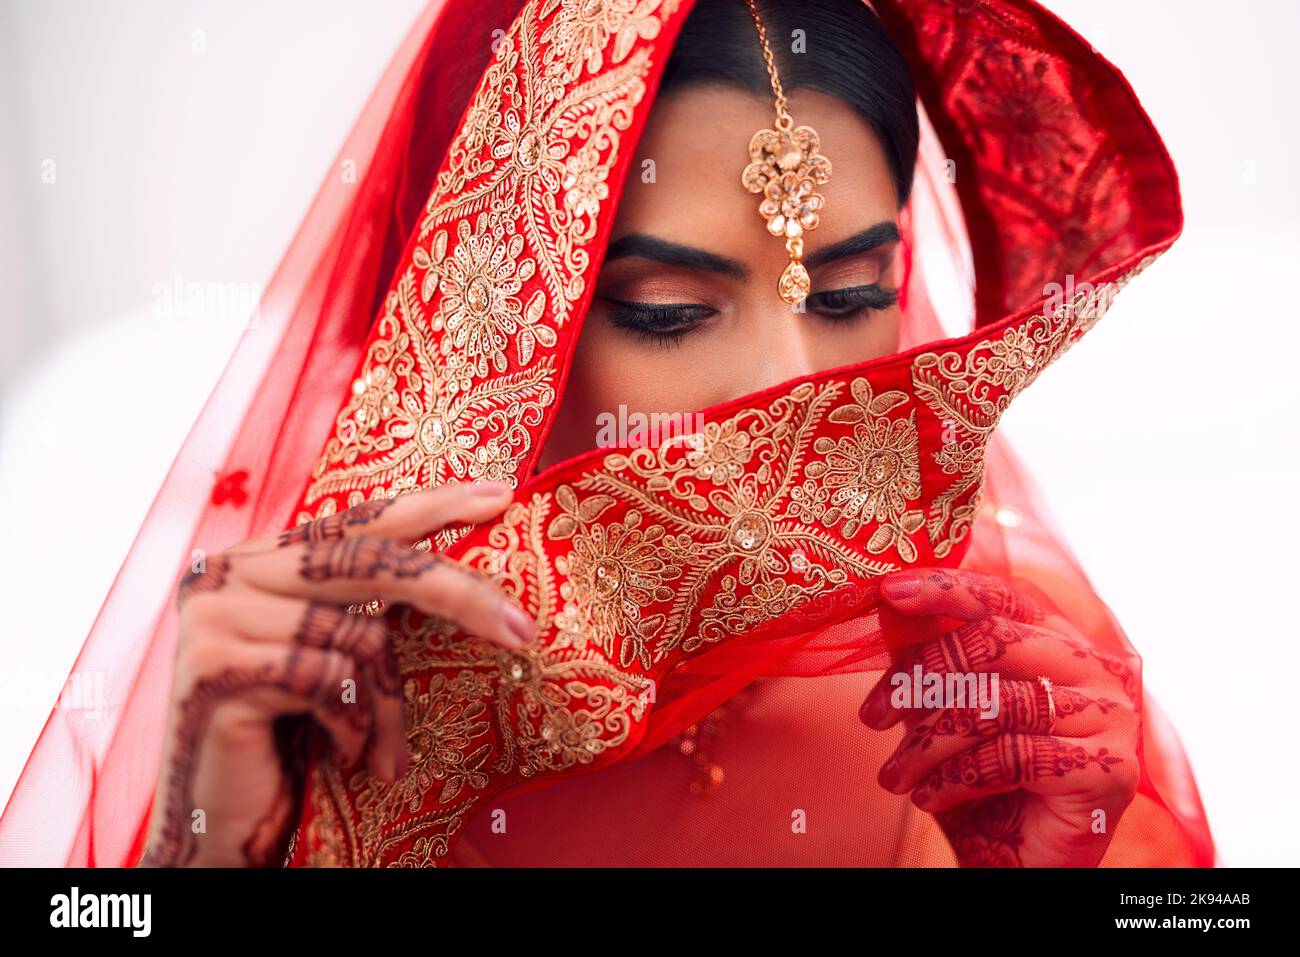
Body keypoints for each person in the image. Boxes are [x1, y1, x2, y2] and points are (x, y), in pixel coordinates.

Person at [0, 0, 1215, 868]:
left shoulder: (998, 697)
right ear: (490, 329)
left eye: (852, 296)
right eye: (668, 313)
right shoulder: (319, 703)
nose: (797, 390)